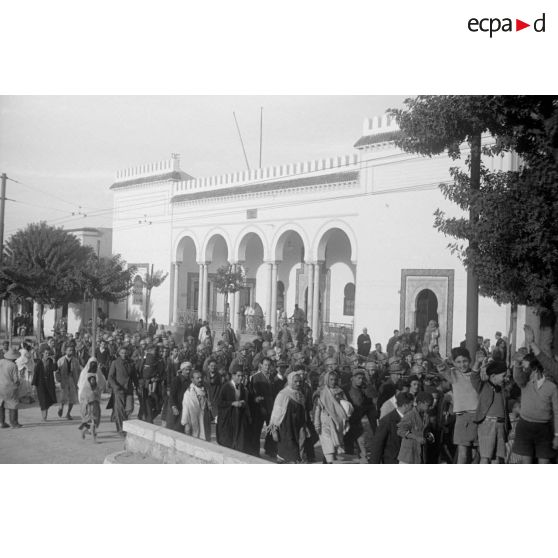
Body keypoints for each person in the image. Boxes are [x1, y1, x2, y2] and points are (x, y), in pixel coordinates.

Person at [512, 353, 558, 464]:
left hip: (544, 429)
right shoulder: (525, 383)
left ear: (535, 369)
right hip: (525, 427)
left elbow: (557, 412)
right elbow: (517, 376)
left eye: (526, 369)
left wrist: (557, 435)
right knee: (526, 462)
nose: (524, 371)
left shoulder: (551, 387)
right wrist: (518, 363)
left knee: (544, 462)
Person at [434, 348, 479, 464]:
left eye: (465, 361)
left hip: (478, 417)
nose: (462, 364)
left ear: (470, 360)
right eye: (458, 362)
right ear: (453, 362)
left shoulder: (476, 373)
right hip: (462, 418)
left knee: (476, 454)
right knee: (463, 454)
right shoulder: (453, 374)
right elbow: (441, 366)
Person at [471, 355, 508, 464]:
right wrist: (477, 363)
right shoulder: (484, 387)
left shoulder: (502, 389)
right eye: (503, 376)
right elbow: (474, 378)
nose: (506, 378)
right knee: (486, 456)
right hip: (487, 425)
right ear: (493, 376)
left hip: (500, 425)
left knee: (498, 457)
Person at [268, 371, 309, 463]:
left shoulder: (300, 395)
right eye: (295, 381)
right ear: (290, 381)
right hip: (286, 428)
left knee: (296, 452)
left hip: (297, 428)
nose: (298, 383)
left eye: (300, 381)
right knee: (288, 453)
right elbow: (276, 413)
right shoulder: (283, 394)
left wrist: (304, 426)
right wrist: (274, 430)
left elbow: (303, 412)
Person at [314, 370, 352, 463]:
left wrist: (345, 419)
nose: (333, 382)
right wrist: (317, 424)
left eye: (335, 379)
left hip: (337, 422)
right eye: (331, 379)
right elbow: (317, 410)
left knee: (333, 445)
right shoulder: (321, 392)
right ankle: (329, 462)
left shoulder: (340, 391)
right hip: (325, 421)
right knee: (328, 445)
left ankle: (326, 461)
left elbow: (345, 406)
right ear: (327, 380)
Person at [369, 392, 414, 464]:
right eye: (412, 405)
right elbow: (377, 445)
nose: (413, 408)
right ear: (405, 405)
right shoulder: (387, 421)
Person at [343, 369, 376, 462]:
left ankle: (364, 458)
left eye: (362, 378)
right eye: (358, 378)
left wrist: (368, 384)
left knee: (361, 443)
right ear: (352, 379)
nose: (360, 380)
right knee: (349, 448)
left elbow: (373, 398)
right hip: (348, 421)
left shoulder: (364, 388)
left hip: (358, 420)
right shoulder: (345, 389)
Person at [216, 369, 252, 452]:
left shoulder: (242, 387)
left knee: (239, 441)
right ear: (233, 376)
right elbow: (220, 402)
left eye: (242, 376)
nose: (241, 378)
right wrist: (232, 403)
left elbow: (243, 399)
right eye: (238, 376)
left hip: (238, 417)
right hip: (228, 418)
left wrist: (243, 402)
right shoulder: (226, 387)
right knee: (228, 441)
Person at [248, 357, 276, 457]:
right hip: (260, 408)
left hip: (270, 407)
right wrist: (257, 398)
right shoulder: (256, 377)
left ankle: (270, 450)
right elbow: (254, 392)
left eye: (269, 365)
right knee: (257, 429)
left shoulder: (272, 377)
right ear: (261, 365)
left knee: (271, 429)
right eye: (265, 365)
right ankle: (254, 451)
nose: (267, 367)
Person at [108, 347, 139, 436]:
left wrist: (137, 387)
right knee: (120, 409)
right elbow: (110, 376)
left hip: (128, 389)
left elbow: (134, 377)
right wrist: (115, 386)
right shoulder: (115, 363)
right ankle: (121, 428)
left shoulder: (131, 363)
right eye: (122, 353)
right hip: (118, 390)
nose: (124, 354)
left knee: (129, 408)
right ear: (119, 353)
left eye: (125, 353)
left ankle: (122, 422)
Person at [397, 391, 434, 464]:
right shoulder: (410, 415)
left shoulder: (426, 416)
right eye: (428, 405)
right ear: (420, 403)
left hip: (419, 454)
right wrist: (416, 437)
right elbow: (400, 431)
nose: (430, 408)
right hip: (407, 456)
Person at [78, 360, 106, 442]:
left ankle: (85, 431)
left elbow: (99, 393)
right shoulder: (85, 387)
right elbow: (83, 397)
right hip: (88, 408)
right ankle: (94, 439)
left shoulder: (97, 387)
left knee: (94, 423)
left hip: (95, 408)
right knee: (92, 424)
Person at [181, 370, 211, 441]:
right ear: (192, 379)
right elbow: (185, 409)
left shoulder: (205, 390)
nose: (200, 380)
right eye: (197, 378)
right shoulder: (188, 393)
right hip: (194, 423)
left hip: (204, 421)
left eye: (201, 378)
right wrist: (186, 424)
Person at [56, 345, 82, 420]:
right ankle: (61, 407)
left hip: (73, 380)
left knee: (72, 397)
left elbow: (79, 370)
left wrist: (78, 381)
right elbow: (57, 372)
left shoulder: (76, 361)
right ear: (65, 351)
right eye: (69, 350)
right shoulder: (60, 360)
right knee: (63, 396)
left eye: (72, 350)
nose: (71, 352)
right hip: (63, 380)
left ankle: (68, 413)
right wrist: (59, 380)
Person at [32, 348, 57, 421]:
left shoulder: (51, 361)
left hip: (49, 383)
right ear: (43, 353)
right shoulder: (39, 362)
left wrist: (54, 361)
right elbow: (36, 374)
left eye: (48, 353)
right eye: (46, 353)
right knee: (42, 399)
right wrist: (34, 385)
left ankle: (45, 410)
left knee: (49, 399)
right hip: (40, 384)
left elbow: (54, 369)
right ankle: (44, 415)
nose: (47, 354)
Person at [0, 348, 22, 428]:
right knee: (13, 404)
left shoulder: (0, 361)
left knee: (1, 405)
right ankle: (14, 423)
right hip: (9, 387)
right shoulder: (13, 365)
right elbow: (16, 379)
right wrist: (18, 384)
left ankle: (1, 422)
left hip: (0, 386)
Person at [167, 362, 192, 432]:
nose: (188, 372)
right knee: (174, 429)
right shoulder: (176, 380)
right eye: (186, 370)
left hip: (185, 408)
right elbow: (172, 395)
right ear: (182, 370)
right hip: (177, 408)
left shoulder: (190, 381)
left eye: (189, 370)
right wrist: (174, 407)